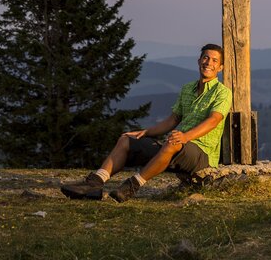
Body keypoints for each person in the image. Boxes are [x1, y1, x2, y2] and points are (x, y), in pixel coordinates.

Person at [61, 43, 232, 203]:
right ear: (199, 61)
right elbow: (173, 119)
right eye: (205, 58)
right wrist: (147, 132)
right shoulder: (188, 89)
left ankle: (132, 186)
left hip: (202, 154)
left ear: (220, 67)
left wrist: (185, 137)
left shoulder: (222, 93)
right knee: (126, 140)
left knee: (173, 141)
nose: (208, 63)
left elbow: (214, 120)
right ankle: (94, 185)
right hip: (176, 146)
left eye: (214, 60)